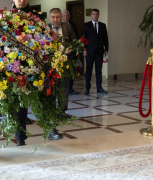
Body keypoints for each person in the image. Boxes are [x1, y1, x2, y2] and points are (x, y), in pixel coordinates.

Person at [47, 8, 76, 140]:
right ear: (50, 17)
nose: (56, 19)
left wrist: (71, 48)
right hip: (52, 65)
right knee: (52, 89)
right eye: (53, 17)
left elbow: (74, 40)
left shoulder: (67, 27)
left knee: (64, 87)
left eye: (58, 17)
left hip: (65, 63)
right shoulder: (46, 28)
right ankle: (52, 112)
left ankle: (62, 111)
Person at [11, 0, 33, 144]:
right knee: (15, 101)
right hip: (12, 65)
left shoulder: (35, 16)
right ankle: (18, 135)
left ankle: (21, 135)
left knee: (25, 101)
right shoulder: (6, 16)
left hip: (31, 64)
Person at [82, 8, 109, 95]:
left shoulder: (102, 25)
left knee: (99, 70)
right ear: (91, 15)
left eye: (97, 14)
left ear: (98, 15)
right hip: (89, 51)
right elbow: (83, 39)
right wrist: (84, 49)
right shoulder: (86, 25)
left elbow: (106, 38)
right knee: (89, 70)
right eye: (93, 14)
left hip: (99, 52)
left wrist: (106, 50)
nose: (95, 16)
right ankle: (87, 89)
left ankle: (99, 88)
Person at [61, 9, 79, 95]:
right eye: (64, 16)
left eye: (67, 16)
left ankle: (70, 88)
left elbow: (76, 37)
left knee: (71, 71)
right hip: (61, 54)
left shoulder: (73, 25)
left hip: (71, 53)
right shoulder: (58, 25)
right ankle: (63, 89)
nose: (65, 17)